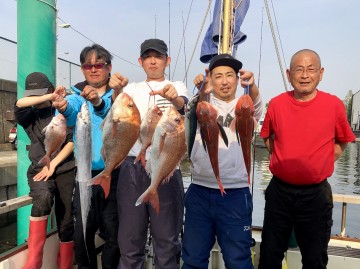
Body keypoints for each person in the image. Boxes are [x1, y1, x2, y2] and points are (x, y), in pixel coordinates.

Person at [258, 49, 356, 269]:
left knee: (314, 258)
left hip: (316, 196)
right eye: (298, 69)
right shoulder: (277, 104)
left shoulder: (333, 105)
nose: (304, 75)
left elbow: (343, 139)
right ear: (288, 73)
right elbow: (266, 136)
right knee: (269, 255)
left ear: (321, 73)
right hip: (279, 193)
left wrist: (323, 161)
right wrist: (284, 158)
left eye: (311, 69)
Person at [109, 38, 188, 269]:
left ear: (167, 60)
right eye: (148, 57)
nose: (153, 61)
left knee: (167, 239)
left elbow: (182, 104)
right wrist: (116, 89)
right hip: (133, 166)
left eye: (159, 56)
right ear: (140, 61)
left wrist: (173, 97)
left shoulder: (177, 85)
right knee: (130, 239)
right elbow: (117, 106)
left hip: (166, 166)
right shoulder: (131, 89)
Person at [181, 54, 263, 269]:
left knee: (238, 260)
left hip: (236, 194)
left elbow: (256, 101)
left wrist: (252, 86)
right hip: (199, 190)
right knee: (192, 259)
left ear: (237, 79)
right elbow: (190, 110)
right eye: (218, 76)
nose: (224, 81)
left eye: (230, 75)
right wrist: (201, 90)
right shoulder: (202, 104)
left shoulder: (245, 105)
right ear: (211, 80)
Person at [52, 44, 128, 269]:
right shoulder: (75, 95)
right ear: (82, 69)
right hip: (85, 176)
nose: (93, 69)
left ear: (109, 67)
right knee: (82, 232)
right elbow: (70, 111)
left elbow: (117, 112)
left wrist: (103, 99)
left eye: (99, 65)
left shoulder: (119, 95)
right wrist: (63, 107)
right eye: (88, 65)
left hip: (115, 173)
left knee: (114, 232)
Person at [14, 72, 76, 269]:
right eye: (32, 96)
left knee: (66, 218)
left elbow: (71, 143)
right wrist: (49, 96)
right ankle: (34, 260)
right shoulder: (28, 115)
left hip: (64, 167)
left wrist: (54, 164)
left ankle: (65, 263)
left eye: (39, 94)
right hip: (39, 170)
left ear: (50, 88)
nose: (34, 100)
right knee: (42, 199)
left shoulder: (63, 111)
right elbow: (19, 104)